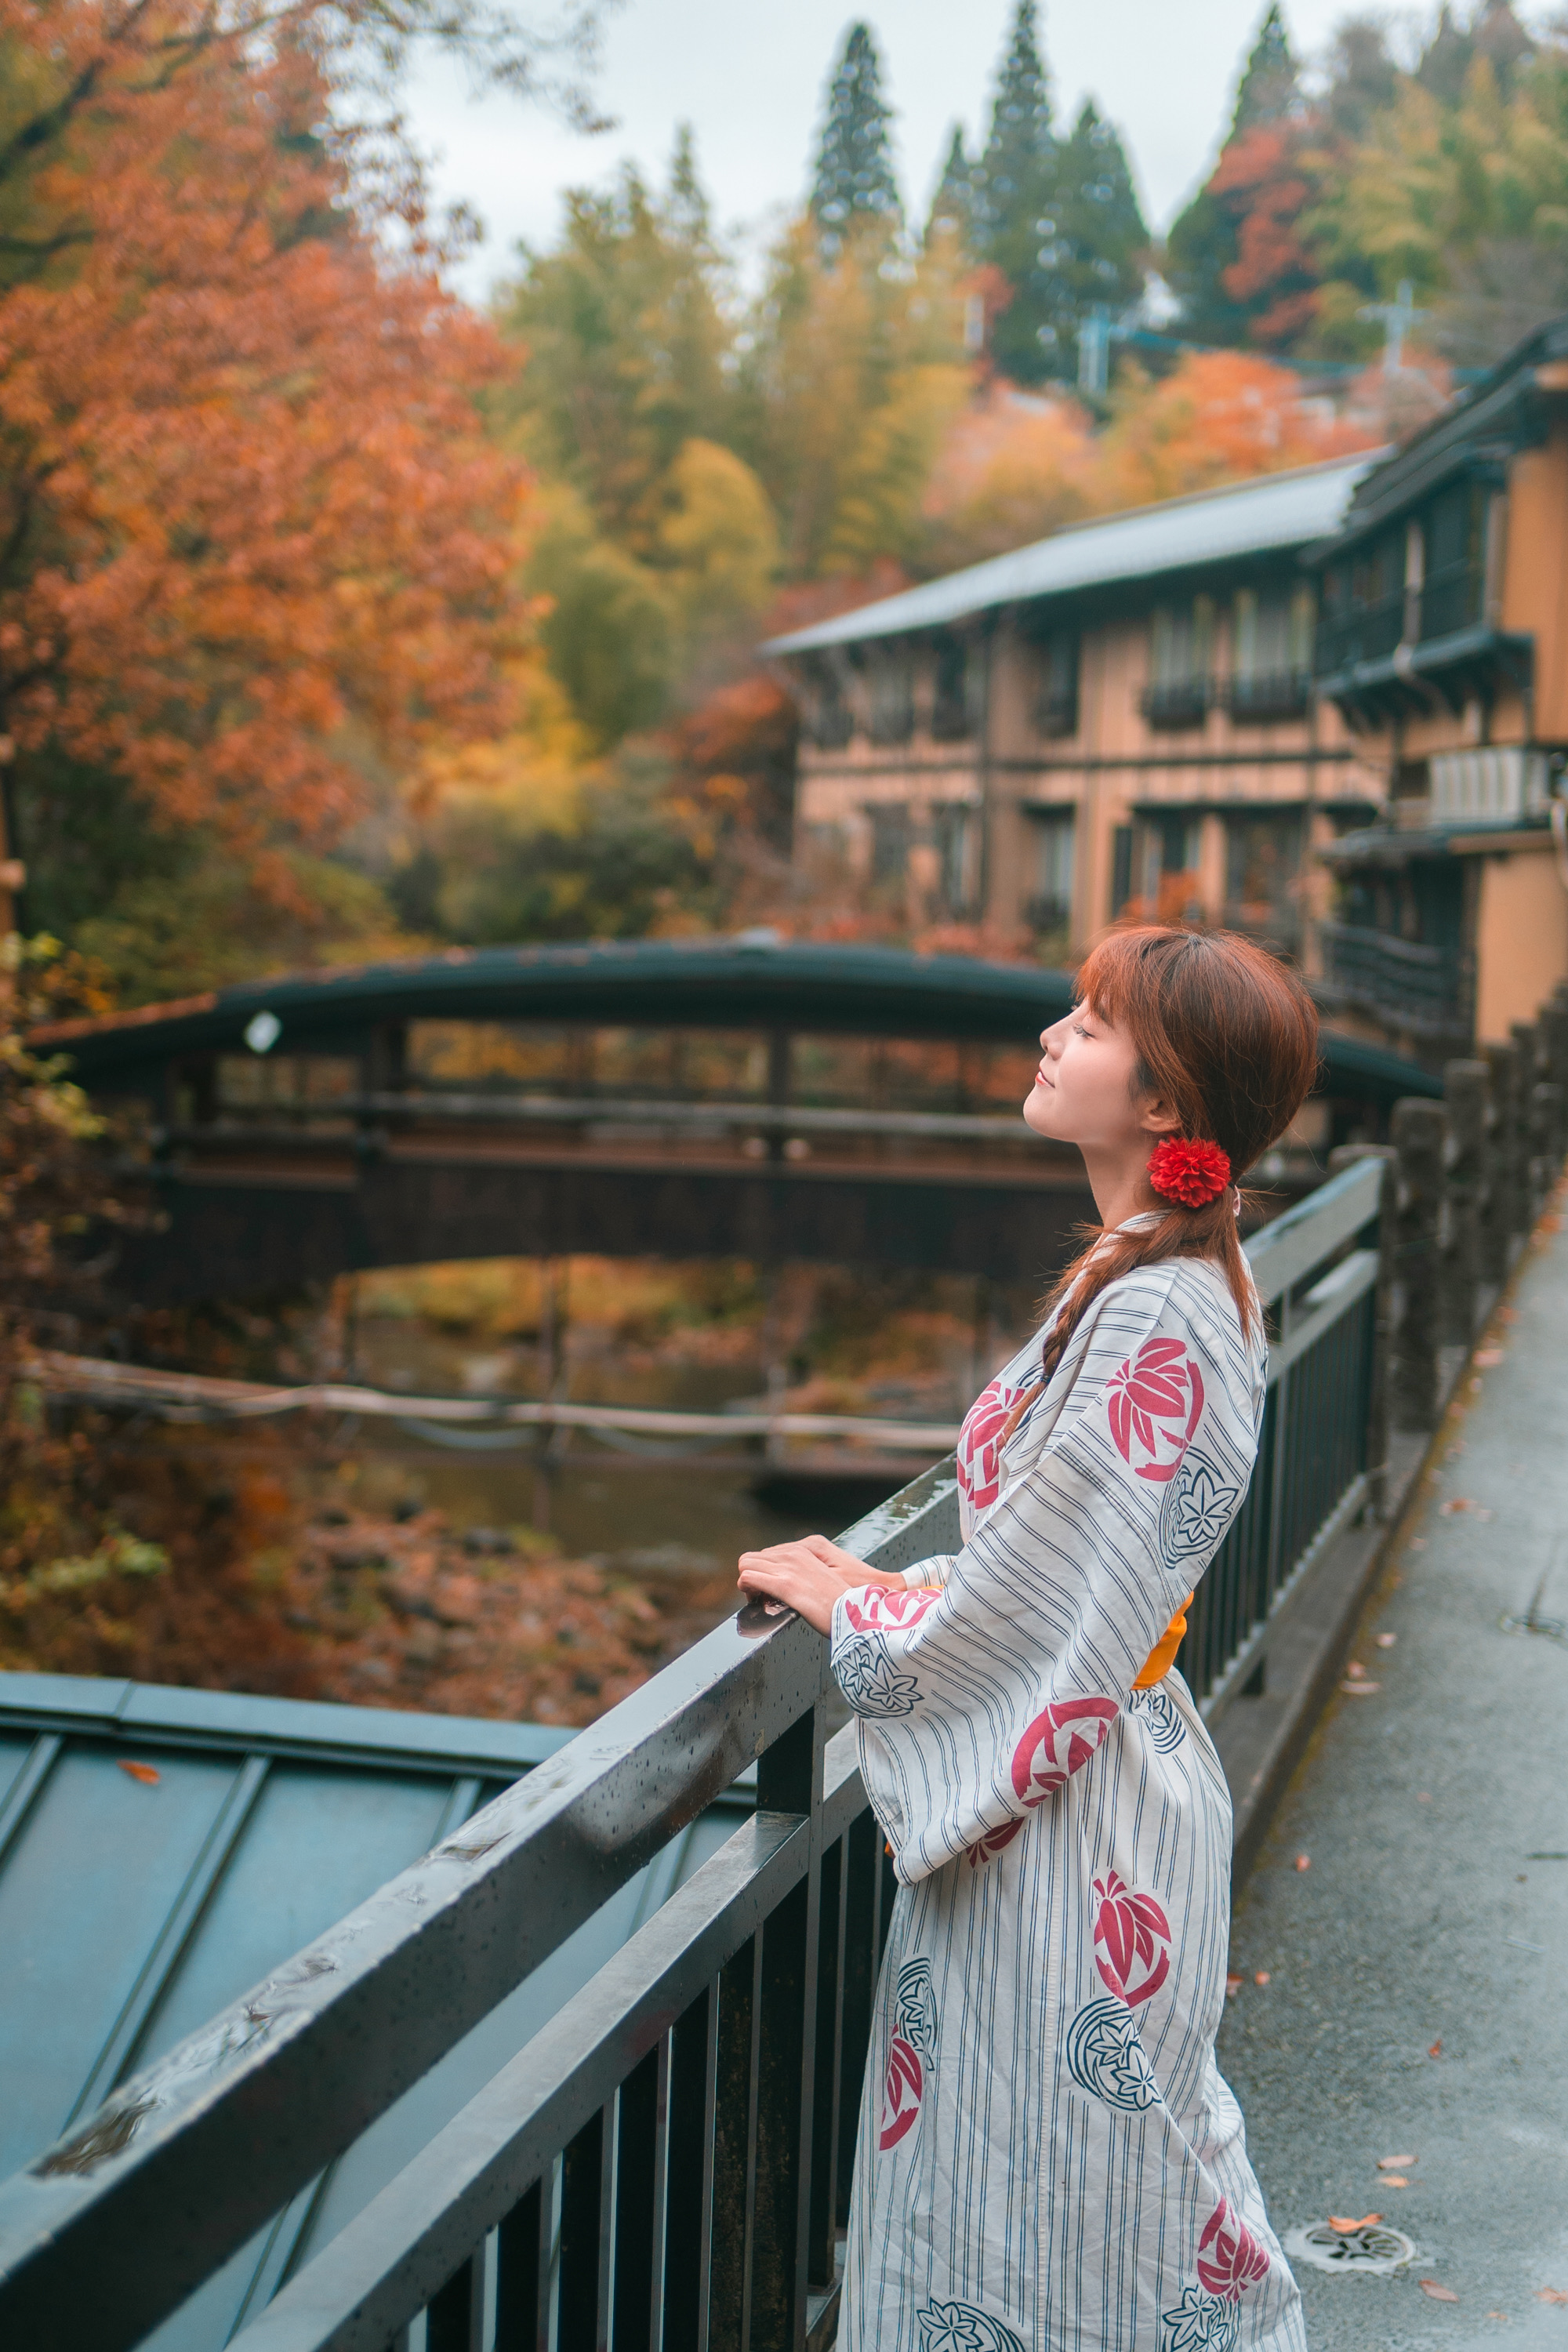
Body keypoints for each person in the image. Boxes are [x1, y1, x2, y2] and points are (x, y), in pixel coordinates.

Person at [738, 927, 1318, 2352]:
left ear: (1167, 1104)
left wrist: (855, 1604)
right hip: (1070, 1797)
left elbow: (1056, 1604)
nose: (1052, 1036)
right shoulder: (1138, 1279)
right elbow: (1057, 1571)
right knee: (1024, 2181)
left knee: (1086, 2180)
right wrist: (888, 1595)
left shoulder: (1165, 1313)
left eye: (1093, 1024)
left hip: (1076, 1827)